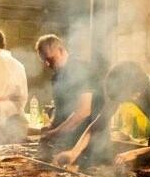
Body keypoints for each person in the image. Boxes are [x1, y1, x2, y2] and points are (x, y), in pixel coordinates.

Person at [54, 61, 150, 177]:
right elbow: (98, 125)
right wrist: (74, 152)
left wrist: (134, 153)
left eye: (125, 96)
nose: (125, 101)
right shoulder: (126, 91)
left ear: (134, 86)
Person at [34, 34, 105, 166]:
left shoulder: (81, 69)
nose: (47, 64)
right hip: (68, 143)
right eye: (44, 60)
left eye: (50, 58)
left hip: (89, 143)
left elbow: (83, 111)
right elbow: (60, 110)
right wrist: (50, 127)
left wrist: (53, 133)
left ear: (61, 50)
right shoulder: (56, 77)